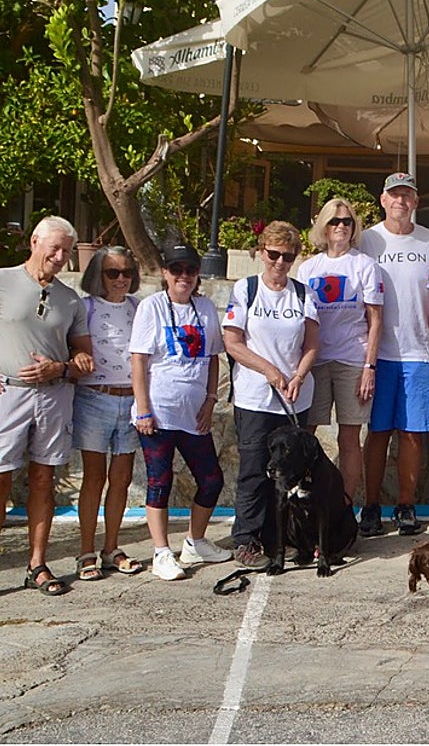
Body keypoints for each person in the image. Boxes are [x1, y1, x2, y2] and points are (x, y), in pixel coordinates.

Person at [0, 216, 94, 596]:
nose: (59, 256)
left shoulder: (70, 300)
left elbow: (84, 355)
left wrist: (64, 366)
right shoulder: (3, 281)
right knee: (1, 479)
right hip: (8, 394)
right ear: (34, 242)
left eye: (66, 251)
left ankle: (37, 564)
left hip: (53, 396)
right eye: (54, 248)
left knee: (43, 480)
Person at [130, 243, 231, 581]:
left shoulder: (205, 308)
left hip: (194, 414)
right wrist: (143, 409)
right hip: (159, 413)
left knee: (211, 479)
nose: (183, 276)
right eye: (176, 269)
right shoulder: (152, 307)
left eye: (190, 270)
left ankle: (195, 541)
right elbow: (139, 360)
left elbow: (213, 357)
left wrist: (211, 400)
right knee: (160, 482)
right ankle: (161, 551)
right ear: (165, 273)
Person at [224, 221, 320, 570]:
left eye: (288, 257)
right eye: (274, 254)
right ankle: (246, 539)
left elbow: (312, 344)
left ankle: (281, 538)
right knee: (253, 471)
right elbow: (232, 342)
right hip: (254, 398)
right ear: (261, 252)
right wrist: (268, 370)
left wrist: (299, 375)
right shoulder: (246, 289)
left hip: (293, 397)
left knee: (290, 473)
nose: (280, 262)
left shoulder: (304, 294)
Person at [359, 172, 429, 537]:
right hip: (377, 354)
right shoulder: (367, 239)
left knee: (412, 434)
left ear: (415, 201)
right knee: (378, 432)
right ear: (383, 200)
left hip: (419, 353)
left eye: (407, 195)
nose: (400, 201)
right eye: (394, 195)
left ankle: (405, 506)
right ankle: (371, 506)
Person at [297, 198, 385, 526]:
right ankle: (303, 504)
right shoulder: (308, 268)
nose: (341, 227)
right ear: (323, 226)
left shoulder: (365, 266)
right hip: (316, 362)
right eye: (334, 221)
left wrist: (369, 367)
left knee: (349, 438)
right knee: (306, 434)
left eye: (347, 221)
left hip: (352, 360)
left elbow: (375, 320)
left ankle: (344, 510)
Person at [72, 246, 144, 579]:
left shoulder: (138, 307)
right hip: (95, 398)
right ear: (98, 276)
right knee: (94, 478)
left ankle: (111, 548)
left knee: (122, 479)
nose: (120, 279)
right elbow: (72, 345)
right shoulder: (84, 307)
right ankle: (86, 551)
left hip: (130, 400)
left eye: (126, 272)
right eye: (112, 273)